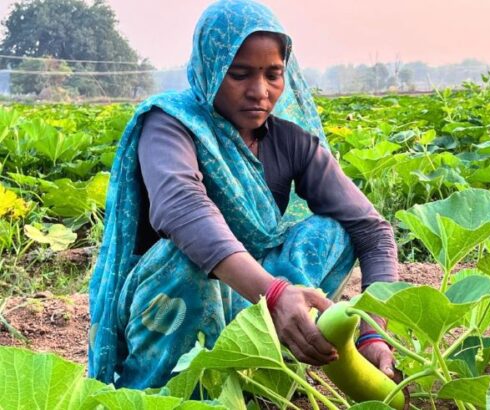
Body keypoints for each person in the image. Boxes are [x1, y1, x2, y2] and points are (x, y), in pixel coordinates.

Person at [88, 0, 398, 390]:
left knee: (333, 232)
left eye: (274, 74)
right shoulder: (170, 124)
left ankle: (270, 361)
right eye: (239, 74)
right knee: (186, 259)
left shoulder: (292, 142)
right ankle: (162, 388)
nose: (260, 91)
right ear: (211, 67)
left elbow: (372, 230)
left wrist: (374, 332)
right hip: (172, 303)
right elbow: (182, 207)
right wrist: (274, 294)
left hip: (253, 301)